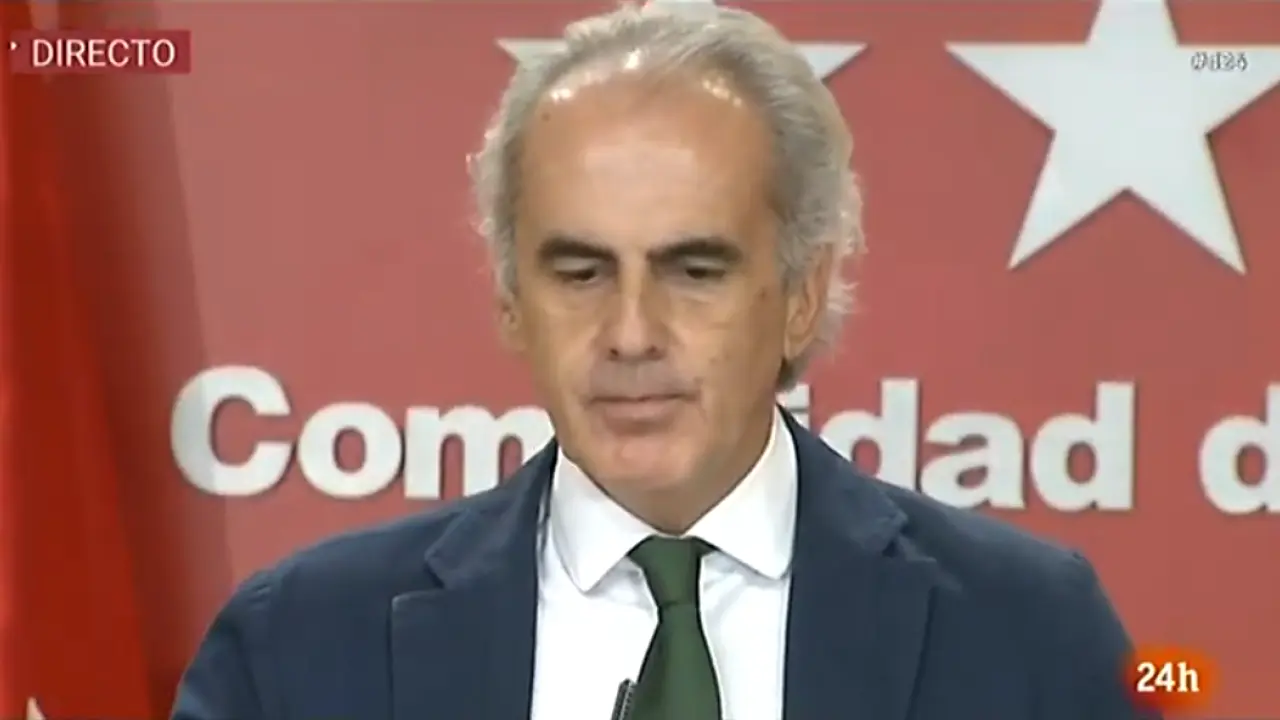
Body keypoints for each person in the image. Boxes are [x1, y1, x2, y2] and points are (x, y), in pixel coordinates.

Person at [173, 3, 1158, 719]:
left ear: (801, 293)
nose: (631, 333)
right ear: (511, 299)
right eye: (580, 272)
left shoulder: (1027, 638)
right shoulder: (301, 650)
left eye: (693, 271)